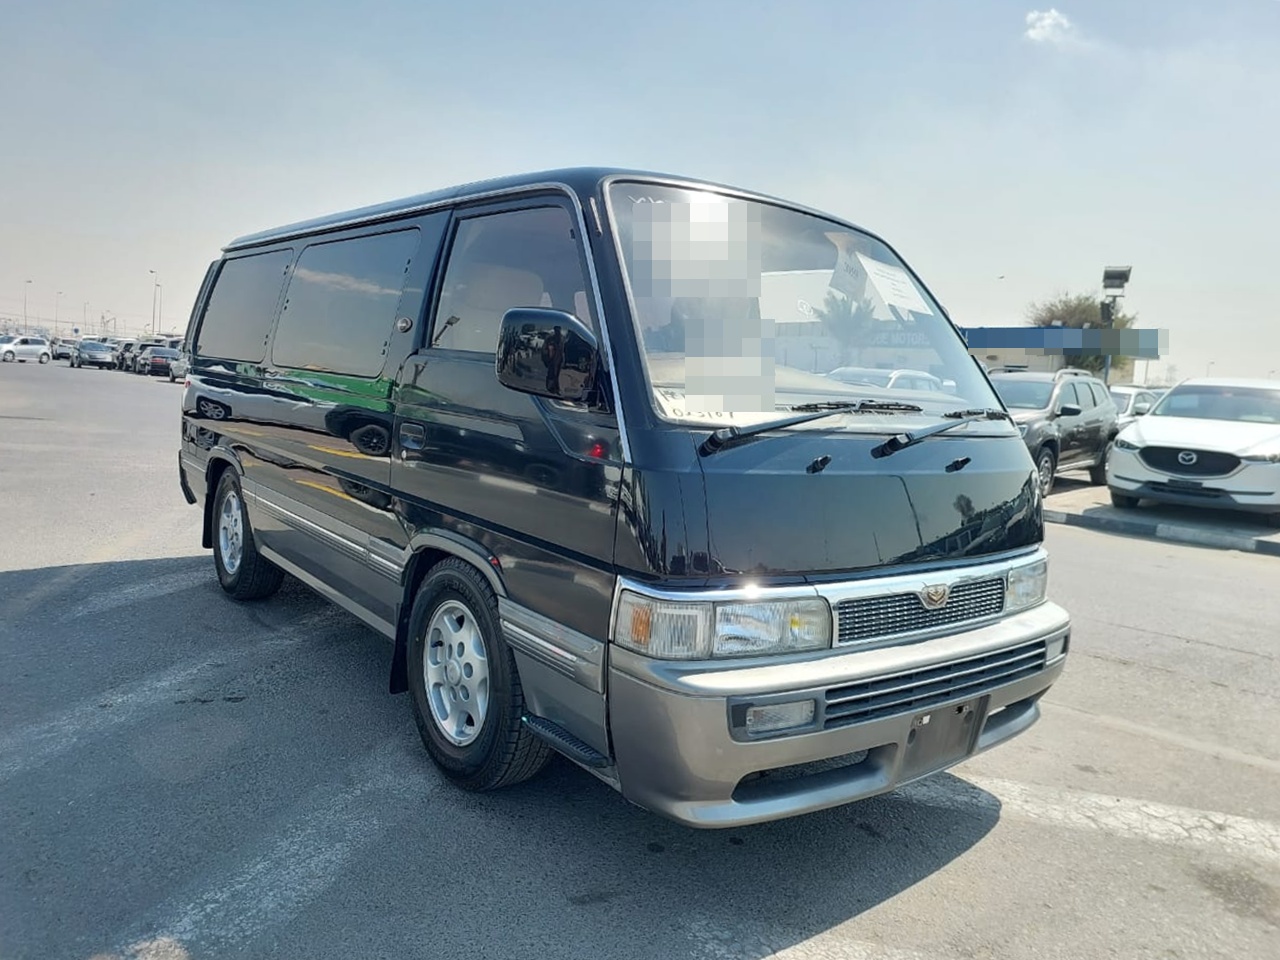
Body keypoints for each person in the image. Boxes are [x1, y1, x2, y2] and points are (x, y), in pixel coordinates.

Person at [543, 325, 565, 395]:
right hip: (552, 361)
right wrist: (547, 360)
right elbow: (545, 350)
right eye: (556, 329)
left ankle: (557, 389)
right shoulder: (550, 338)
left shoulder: (563, 339)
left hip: (559, 361)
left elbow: (563, 350)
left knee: (558, 375)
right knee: (551, 374)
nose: (557, 331)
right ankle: (550, 389)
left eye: (558, 329)